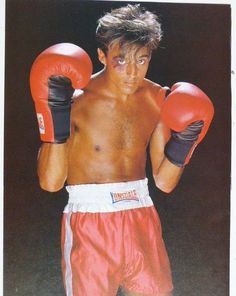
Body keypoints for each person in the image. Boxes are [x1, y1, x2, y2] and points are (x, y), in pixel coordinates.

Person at [30, 4, 214, 296]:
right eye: (121, 61)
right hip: (90, 222)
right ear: (102, 56)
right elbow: (50, 183)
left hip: (141, 214)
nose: (132, 73)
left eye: (142, 61)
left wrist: (185, 140)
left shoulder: (157, 99)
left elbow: (164, 182)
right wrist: (56, 111)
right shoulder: (76, 101)